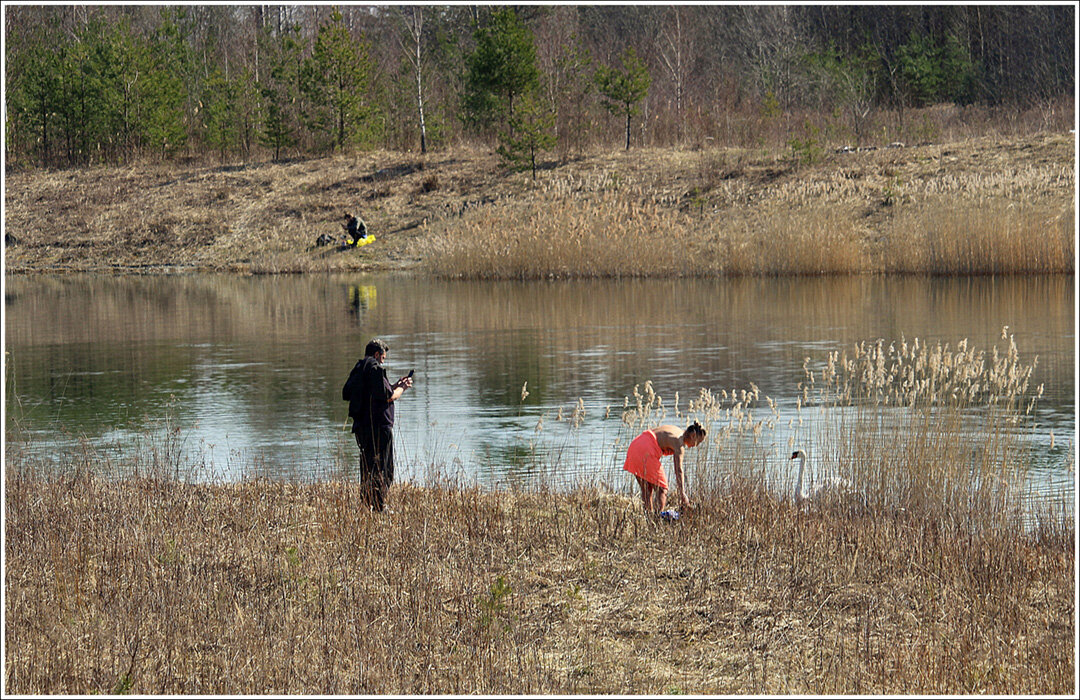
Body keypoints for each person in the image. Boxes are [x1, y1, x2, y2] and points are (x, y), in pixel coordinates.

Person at [342, 338, 413, 512]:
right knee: (384, 468)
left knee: (367, 467)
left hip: (362, 427)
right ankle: (379, 506)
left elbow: (348, 393)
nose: (383, 361)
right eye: (383, 358)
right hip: (379, 427)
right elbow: (388, 396)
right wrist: (402, 388)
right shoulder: (374, 368)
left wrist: (393, 385)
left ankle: (367, 504)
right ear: (377, 354)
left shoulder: (359, 369)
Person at [622, 421, 706, 515]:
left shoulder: (676, 430)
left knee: (647, 488)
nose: (696, 446)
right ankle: (658, 518)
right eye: (698, 442)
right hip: (646, 450)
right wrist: (682, 494)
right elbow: (679, 470)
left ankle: (648, 518)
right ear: (693, 435)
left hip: (635, 446)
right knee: (662, 488)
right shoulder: (679, 443)